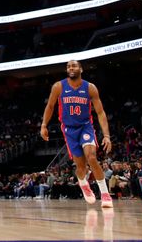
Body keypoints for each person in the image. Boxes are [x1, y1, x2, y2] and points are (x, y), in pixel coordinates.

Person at [40, 60, 114, 208]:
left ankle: (105, 194)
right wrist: (44, 125)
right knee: (81, 167)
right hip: (69, 130)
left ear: (81, 69)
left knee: (92, 157)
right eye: (68, 66)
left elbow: (100, 113)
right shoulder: (59, 86)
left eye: (73, 66)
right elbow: (50, 107)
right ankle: (82, 182)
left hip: (85, 126)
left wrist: (106, 136)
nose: (70, 68)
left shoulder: (90, 88)